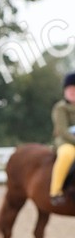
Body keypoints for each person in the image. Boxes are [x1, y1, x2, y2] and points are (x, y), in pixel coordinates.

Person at [49, 71, 75, 207]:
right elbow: (63, 130)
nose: (72, 91)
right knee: (66, 155)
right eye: (69, 89)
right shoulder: (60, 108)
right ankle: (56, 192)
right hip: (66, 141)